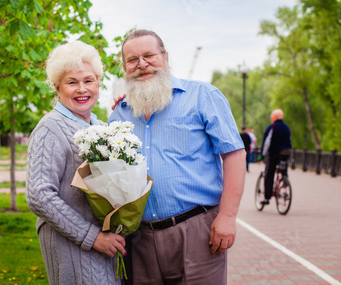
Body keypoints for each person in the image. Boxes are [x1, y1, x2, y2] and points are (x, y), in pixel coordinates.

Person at [109, 29, 246, 284]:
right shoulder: (119, 114)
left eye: (149, 55)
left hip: (197, 232)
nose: (142, 64)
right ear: (125, 66)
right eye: (132, 60)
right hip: (139, 240)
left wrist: (227, 217)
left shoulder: (203, 96)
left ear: (165, 56)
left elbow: (235, 155)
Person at [26, 41, 126, 284]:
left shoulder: (103, 128)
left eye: (88, 80)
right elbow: (39, 195)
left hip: (110, 248)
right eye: (72, 82)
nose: (82, 89)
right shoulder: (50, 128)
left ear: (98, 84)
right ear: (57, 88)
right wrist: (92, 237)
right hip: (72, 249)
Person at [260, 109, 292, 206]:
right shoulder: (287, 127)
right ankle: (285, 184)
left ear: (274, 117)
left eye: (271, 116)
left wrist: (262, 154)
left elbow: (267, 142)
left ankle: (267, 197)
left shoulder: (272, 127)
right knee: (283, 170)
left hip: (274, 153)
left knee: (269, 174)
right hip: (286, 153)